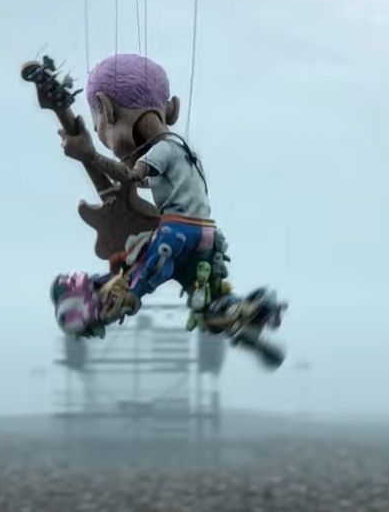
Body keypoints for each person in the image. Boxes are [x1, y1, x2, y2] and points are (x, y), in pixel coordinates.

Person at [50, 53, 286, 361]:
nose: (106, 141)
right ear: (172, 109)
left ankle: (88, 311)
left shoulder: (162, 150)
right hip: (207, 236)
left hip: (175, 234)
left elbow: (130, 177)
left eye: (101, 131)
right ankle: (240, 312)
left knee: (132, 284)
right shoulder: (186, 152)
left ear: (107, 110)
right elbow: (138, 189)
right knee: (205, 298)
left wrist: (91, 156)